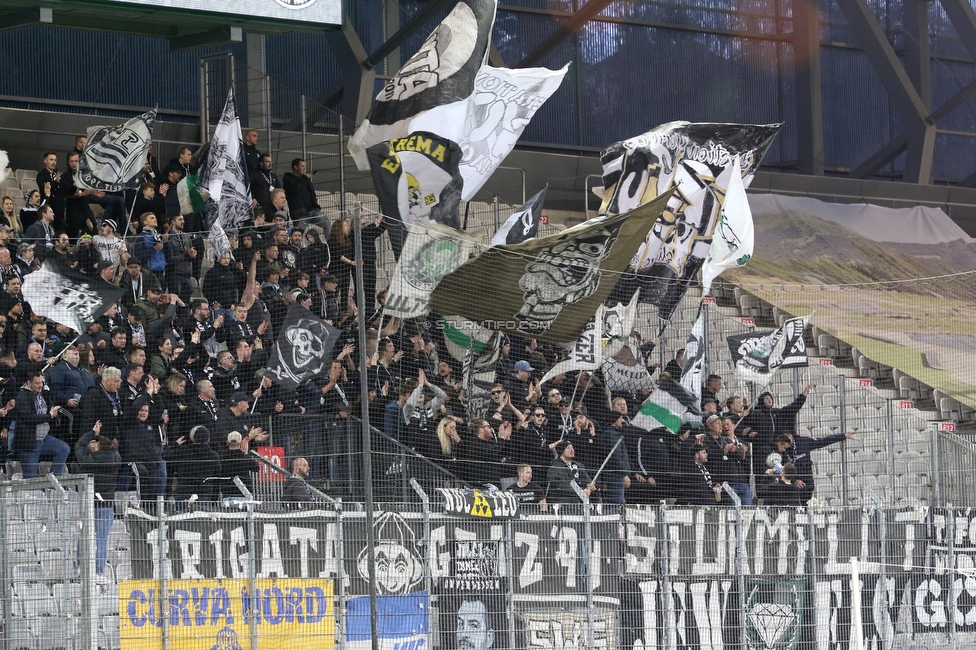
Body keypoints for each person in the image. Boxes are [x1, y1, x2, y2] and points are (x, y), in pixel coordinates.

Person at [73, 420, 121, 583]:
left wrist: (92, 434)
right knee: (101, 539)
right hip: (106, 505)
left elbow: (79, 445)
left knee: (84, 537)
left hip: (89, 504)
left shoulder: (89, 460)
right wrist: (100, 438)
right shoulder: (116, 458)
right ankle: (99, 572)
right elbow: (111, 448)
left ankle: (81, 568)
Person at [12, 371, 67, 478]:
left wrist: (55, 416)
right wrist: (49, 416)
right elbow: (28, 418)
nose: (40, 385)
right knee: (30, 479)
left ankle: (53, 480)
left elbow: (49, 409)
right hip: (29, 443)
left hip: (45, 439)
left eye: (41, 382)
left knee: (63, 448)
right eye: (37, 383)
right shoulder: (22, 397)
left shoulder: (43, 394)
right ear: (29, 383)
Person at [741, 383, 815, 455]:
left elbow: (793, 407)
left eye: (770, 398)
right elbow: (748, 419)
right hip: (762, 450)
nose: (769, 399)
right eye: (766, 398)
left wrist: (804, 394)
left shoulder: (777, 412)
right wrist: (746, 406)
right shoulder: (757, 414)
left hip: (778, 448)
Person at [164, 424, 221, 501]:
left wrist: (175, 444)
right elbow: (217, 479)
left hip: (183, 493)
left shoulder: (183, 451)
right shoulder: (213, 455)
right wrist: (214, 499)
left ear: (192, 438)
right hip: (204, 495)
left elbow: (165, 455)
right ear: (208, 440)